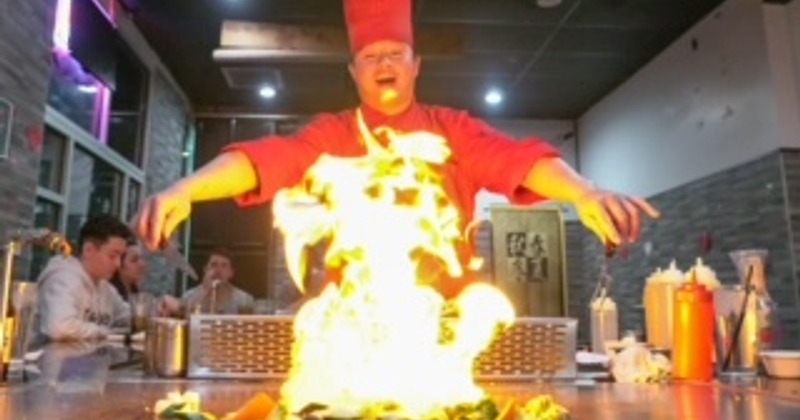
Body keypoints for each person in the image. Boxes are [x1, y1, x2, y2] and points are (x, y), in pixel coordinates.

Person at [134, 0, 659, 297]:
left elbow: (519, 159)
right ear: (354, 71)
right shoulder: (333, 135)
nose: (384, 63)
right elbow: (265, 160)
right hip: (354, 324)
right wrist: (187, 188)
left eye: (395, 53)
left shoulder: (450, 130)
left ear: (415, 65)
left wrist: (584, 194)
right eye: (370, 55)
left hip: (446, 327)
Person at [35, 215, 133, 342]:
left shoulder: (106, 288)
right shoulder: (63, 279)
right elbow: (59, 326)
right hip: (46, 359)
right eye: (112, 256)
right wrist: (105, 332)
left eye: (121, 257)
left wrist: (157, 311)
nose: (118, 264)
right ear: (88, 250)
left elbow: (129, 317)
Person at [165, 248, 254, 315]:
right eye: (214, 264)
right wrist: (205, 290)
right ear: (205, 269)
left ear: (231, 273)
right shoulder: (189, 297)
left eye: (224, 265)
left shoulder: (243, 300)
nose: (218, 270)